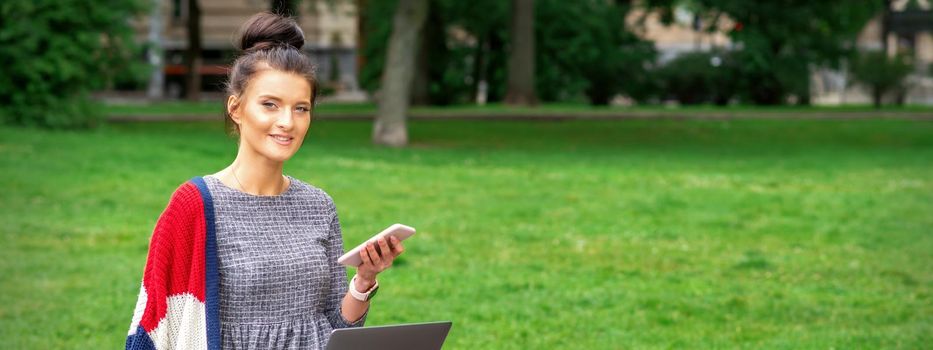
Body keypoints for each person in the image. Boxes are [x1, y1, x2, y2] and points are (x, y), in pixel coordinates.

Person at [125, 12, 404, 350]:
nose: (287, 121)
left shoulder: (318, 204)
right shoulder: (195, 205)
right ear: (236, 108)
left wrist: (364, 280)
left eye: (300, 108)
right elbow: (155, 324)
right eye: (270, 105)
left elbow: (336, 326)